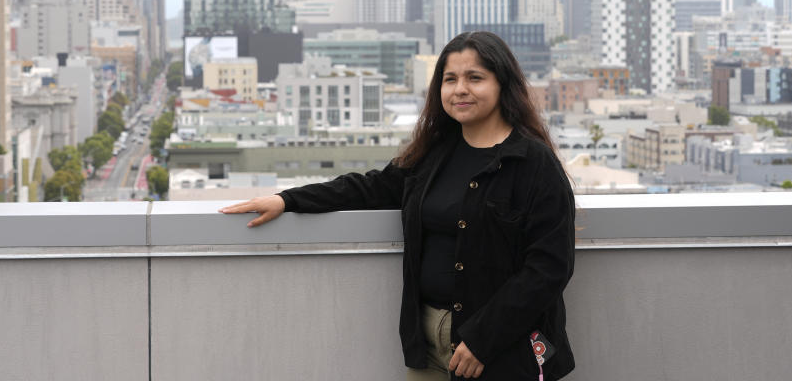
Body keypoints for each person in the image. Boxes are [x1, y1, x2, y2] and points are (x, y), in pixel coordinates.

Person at [220, 31, 575, 380]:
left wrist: (483, 339)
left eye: (475, 78)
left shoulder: (533, 163)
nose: (460, 89)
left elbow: (549, 268)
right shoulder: (435, 153)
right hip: (429, 342)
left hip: (497, 350)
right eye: (449, 79)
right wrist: (288, 199)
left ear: (503, 85)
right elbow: (370, 187)